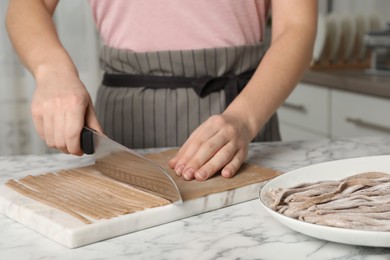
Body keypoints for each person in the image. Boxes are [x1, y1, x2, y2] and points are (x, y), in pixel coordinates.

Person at [6, 0, 317, 181]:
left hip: (243, 113)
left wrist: (244, 120)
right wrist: (52, 71)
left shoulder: (244, 120)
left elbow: (297, 27)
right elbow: (27, 5)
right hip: (125, 122)